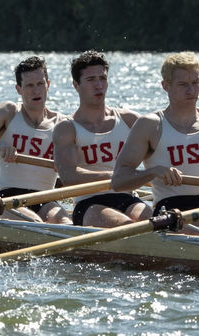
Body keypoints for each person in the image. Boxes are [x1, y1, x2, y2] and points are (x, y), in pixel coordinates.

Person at [112, 52, 199, 238]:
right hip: (172, 210)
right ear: (165, 86)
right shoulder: (150, 125)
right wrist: (153, 172)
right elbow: (119, 180)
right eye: (183, 85)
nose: (191, 91)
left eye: (195, 83)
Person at [0, 56, 71, 223]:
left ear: (48, 85)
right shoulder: (9, 112)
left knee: (67, 225)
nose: (36, 91)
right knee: (36, 224)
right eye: (29, 86)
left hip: (46, 199)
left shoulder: (62, 124)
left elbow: (77, 167)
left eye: (40, 84)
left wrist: (67, 166)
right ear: (19, 89)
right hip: (9, 198)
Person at [53, 50, 152, 227]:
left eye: (103, 79)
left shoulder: (130, 120)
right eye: (91, 80)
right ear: (76, 85)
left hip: (127, 198)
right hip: (89, 204)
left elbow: (162, 151)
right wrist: (115, 176)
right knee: (129, 226)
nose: (99, 85)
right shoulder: (67, 128)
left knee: (157, 223)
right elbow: (69, 176)